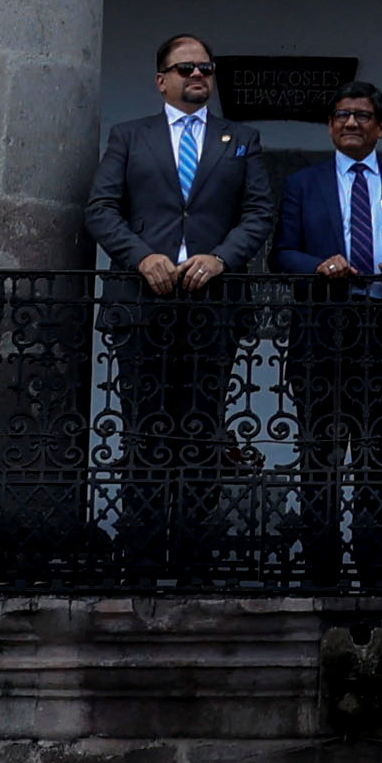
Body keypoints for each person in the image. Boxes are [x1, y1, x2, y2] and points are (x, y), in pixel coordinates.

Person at [88, 35, 266, 581]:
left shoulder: (241, 139)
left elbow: (258, 213)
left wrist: (221, 259)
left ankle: (194, 554)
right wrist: (142, 258)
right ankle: (141, 554)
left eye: (206, 68)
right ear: (161, 78)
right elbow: (100, 208)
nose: (197, 76)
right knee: (145, 428)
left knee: (203, 428)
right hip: (145, 303)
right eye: (185, 67)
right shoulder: (129, 136)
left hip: (211, 304)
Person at [279, 81, 382, 586]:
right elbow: (280, 254)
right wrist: (318, 265)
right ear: (330, 126)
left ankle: (374, 571)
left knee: (378, 460)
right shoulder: (303, 184)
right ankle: (321, 572)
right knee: (319, 460)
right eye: (343, 114)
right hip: (322, 336)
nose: (353, 123)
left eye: (364, 115)